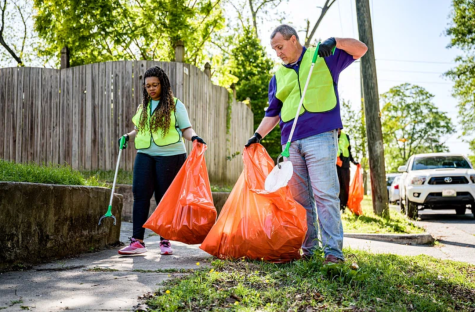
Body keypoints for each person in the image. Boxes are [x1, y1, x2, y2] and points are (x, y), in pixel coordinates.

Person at [245, 24, 367, 264]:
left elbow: (361, 49)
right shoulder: (278, 77)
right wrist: (257, 136)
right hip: (291, 143)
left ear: (293, 40)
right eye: (274, 49)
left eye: (280, 47)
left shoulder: (323, 56)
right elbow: (273, 113)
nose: (277, 53)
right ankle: (310, 251)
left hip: (321, 136)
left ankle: (333, 253)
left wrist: (336, 40)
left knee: (325, 195)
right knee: (301, 201)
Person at [117, 66, 205, 256]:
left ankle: (165, 241)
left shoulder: (175, 105)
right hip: (145, 154)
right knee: (140, 194)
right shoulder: (143, 107)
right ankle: (137, 241)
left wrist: (195, 138)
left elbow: (186, 129)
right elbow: (139, 131)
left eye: (155, 85)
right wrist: (127, 136)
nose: (151, 89)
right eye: (148, 86)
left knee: (164, 198)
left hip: (171, 155)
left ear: (163, 84)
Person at [337, 129, 359, 212]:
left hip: (345, 165)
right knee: (337, 186)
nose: (338, 131)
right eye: (337, 129)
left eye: (339, 129)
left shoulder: (346, 137)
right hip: (335, 165)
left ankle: (343, 206)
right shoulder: (330, 136)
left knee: (345, 187)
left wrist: (353, 161)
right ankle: (337, 206)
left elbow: (349, 150)